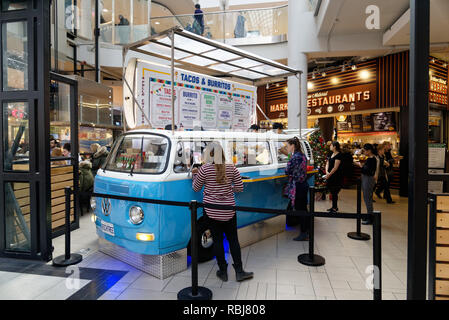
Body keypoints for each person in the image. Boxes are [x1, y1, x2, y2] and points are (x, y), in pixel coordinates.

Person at [192, 142, 253, 282]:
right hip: (229, 210)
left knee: (218, 241)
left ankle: (223, 271)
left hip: (211, 211)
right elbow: (239, 188)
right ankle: (239, 271)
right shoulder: (231, 168)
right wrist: (228, 190)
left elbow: (196, 188)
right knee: (233, 240)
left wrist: (195, 175)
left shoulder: (204, 169)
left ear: (210, 154)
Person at [284, 137, 309, 241]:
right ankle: (306, 229)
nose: (287, 148)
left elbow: (287, 171)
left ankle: (304, 233)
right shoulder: (302, 155)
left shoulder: (294, 157)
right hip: (303, 184)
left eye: (288, 146)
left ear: (292, 146)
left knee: (300, 209)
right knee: (303, 208)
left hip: (297, 186)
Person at [354, 144, 377, 225]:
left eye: (365, 150)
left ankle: (370, 217)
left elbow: (366, 170)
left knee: (367, 198)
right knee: (367, 198)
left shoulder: (372, 159)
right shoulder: (371, 158)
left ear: (369, 150)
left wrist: (359, 165)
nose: (364, 152)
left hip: (368, 179)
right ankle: (369, 215)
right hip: (367, 178)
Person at [325, 141, 343, 213]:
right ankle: (333, 206)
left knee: (334, 192)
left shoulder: (339, 155)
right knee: (332, 191)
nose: (330, 146)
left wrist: (329, 174)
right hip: (330, 175)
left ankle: (335, 208)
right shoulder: (331, 154)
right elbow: (327, 163)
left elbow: (335, 167)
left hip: (335, 176)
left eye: (331, 145)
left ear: (335, 146)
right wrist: (326, 172)